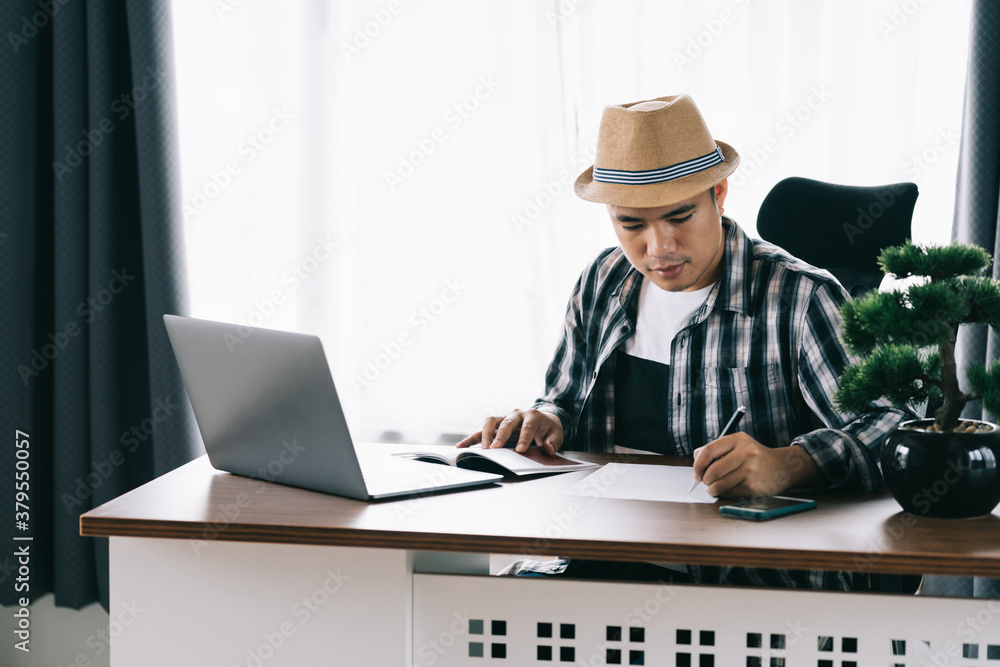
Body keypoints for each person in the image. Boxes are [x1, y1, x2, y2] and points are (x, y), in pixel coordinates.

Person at [457, 94, 912, 589]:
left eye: (679, 217)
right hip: (604, 557)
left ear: (718, 194)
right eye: (631, 224)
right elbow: (564, 400)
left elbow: (893, 427)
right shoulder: (602, 281)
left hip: (745, 581)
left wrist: (791, 464)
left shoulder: (800, 296)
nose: (659, 248)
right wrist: (543, 421)